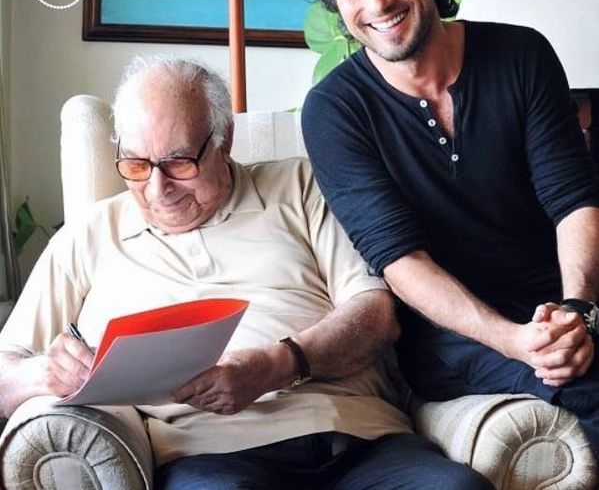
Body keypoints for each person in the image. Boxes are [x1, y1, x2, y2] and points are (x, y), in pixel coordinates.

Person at [0, 57, 491, 489]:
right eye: (135, 164)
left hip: (359, 437)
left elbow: (376, 312)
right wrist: (44, 373)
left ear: (224, 140)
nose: (157, 188)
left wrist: (278, 365)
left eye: (179, 163)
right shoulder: (88, 234)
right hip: (209, 458)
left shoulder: (302, 186)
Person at [301, 0, 599, 465]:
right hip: (453, 337)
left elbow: (573, 198)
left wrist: (577, 310)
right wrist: (516, 340)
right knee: (588, 387)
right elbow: (399, 260)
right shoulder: (334, 111)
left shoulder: (522, 54)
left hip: (561, 299)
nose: (377, 2)